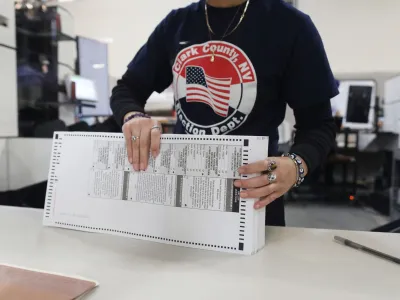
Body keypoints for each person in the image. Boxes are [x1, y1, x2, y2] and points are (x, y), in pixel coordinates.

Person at [110, 0, 338, 226]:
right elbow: (126, 89)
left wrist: (295, 166)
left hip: (252, 200)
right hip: (185, 197)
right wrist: (133, 115)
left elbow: (319, 125)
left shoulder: (290, 25)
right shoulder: (177, 23)